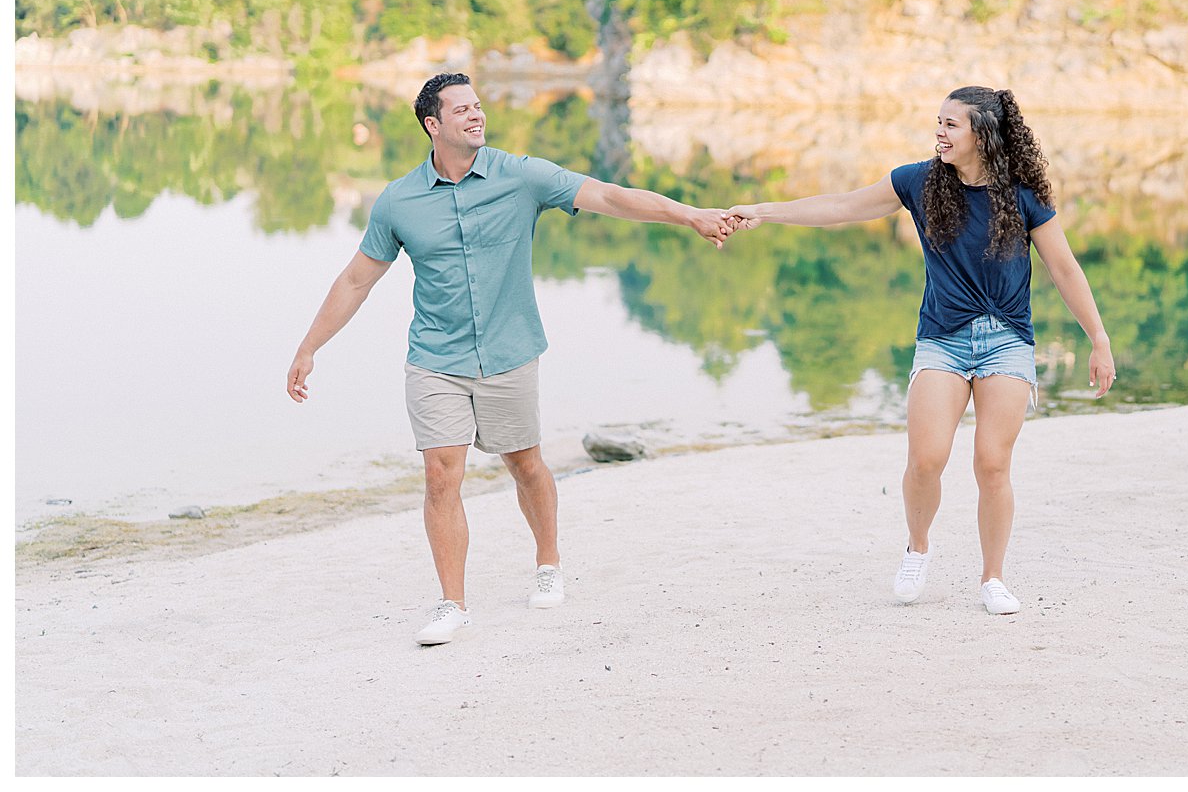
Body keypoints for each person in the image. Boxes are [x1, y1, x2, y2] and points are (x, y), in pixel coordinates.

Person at [287, 72, 736, 645]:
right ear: (433, 125)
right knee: (439, 475)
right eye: (462, 110)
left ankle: (548, 562)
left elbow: (610, 196)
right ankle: (452, 604)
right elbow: (355, 280)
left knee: (525, 465)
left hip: (509, 351)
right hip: (435, 357)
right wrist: (308, 347)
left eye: (478, 107)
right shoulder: (399, 200)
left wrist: (690, 214)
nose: (476, 116)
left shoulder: (520, 175)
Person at [727, 86, 1115, 614]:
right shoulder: (920, 181)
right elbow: (842, 205)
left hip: (1006, 341)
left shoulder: (1022, 195)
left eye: (952, 125)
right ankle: (918, 546)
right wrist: (764, 211)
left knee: (992, 465)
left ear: (984, 134)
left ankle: (993, 579)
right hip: (944, 338)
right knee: (926, 461)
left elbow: (1064, 269)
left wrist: (1098, 338)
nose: (939, 132)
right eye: (939, 122)